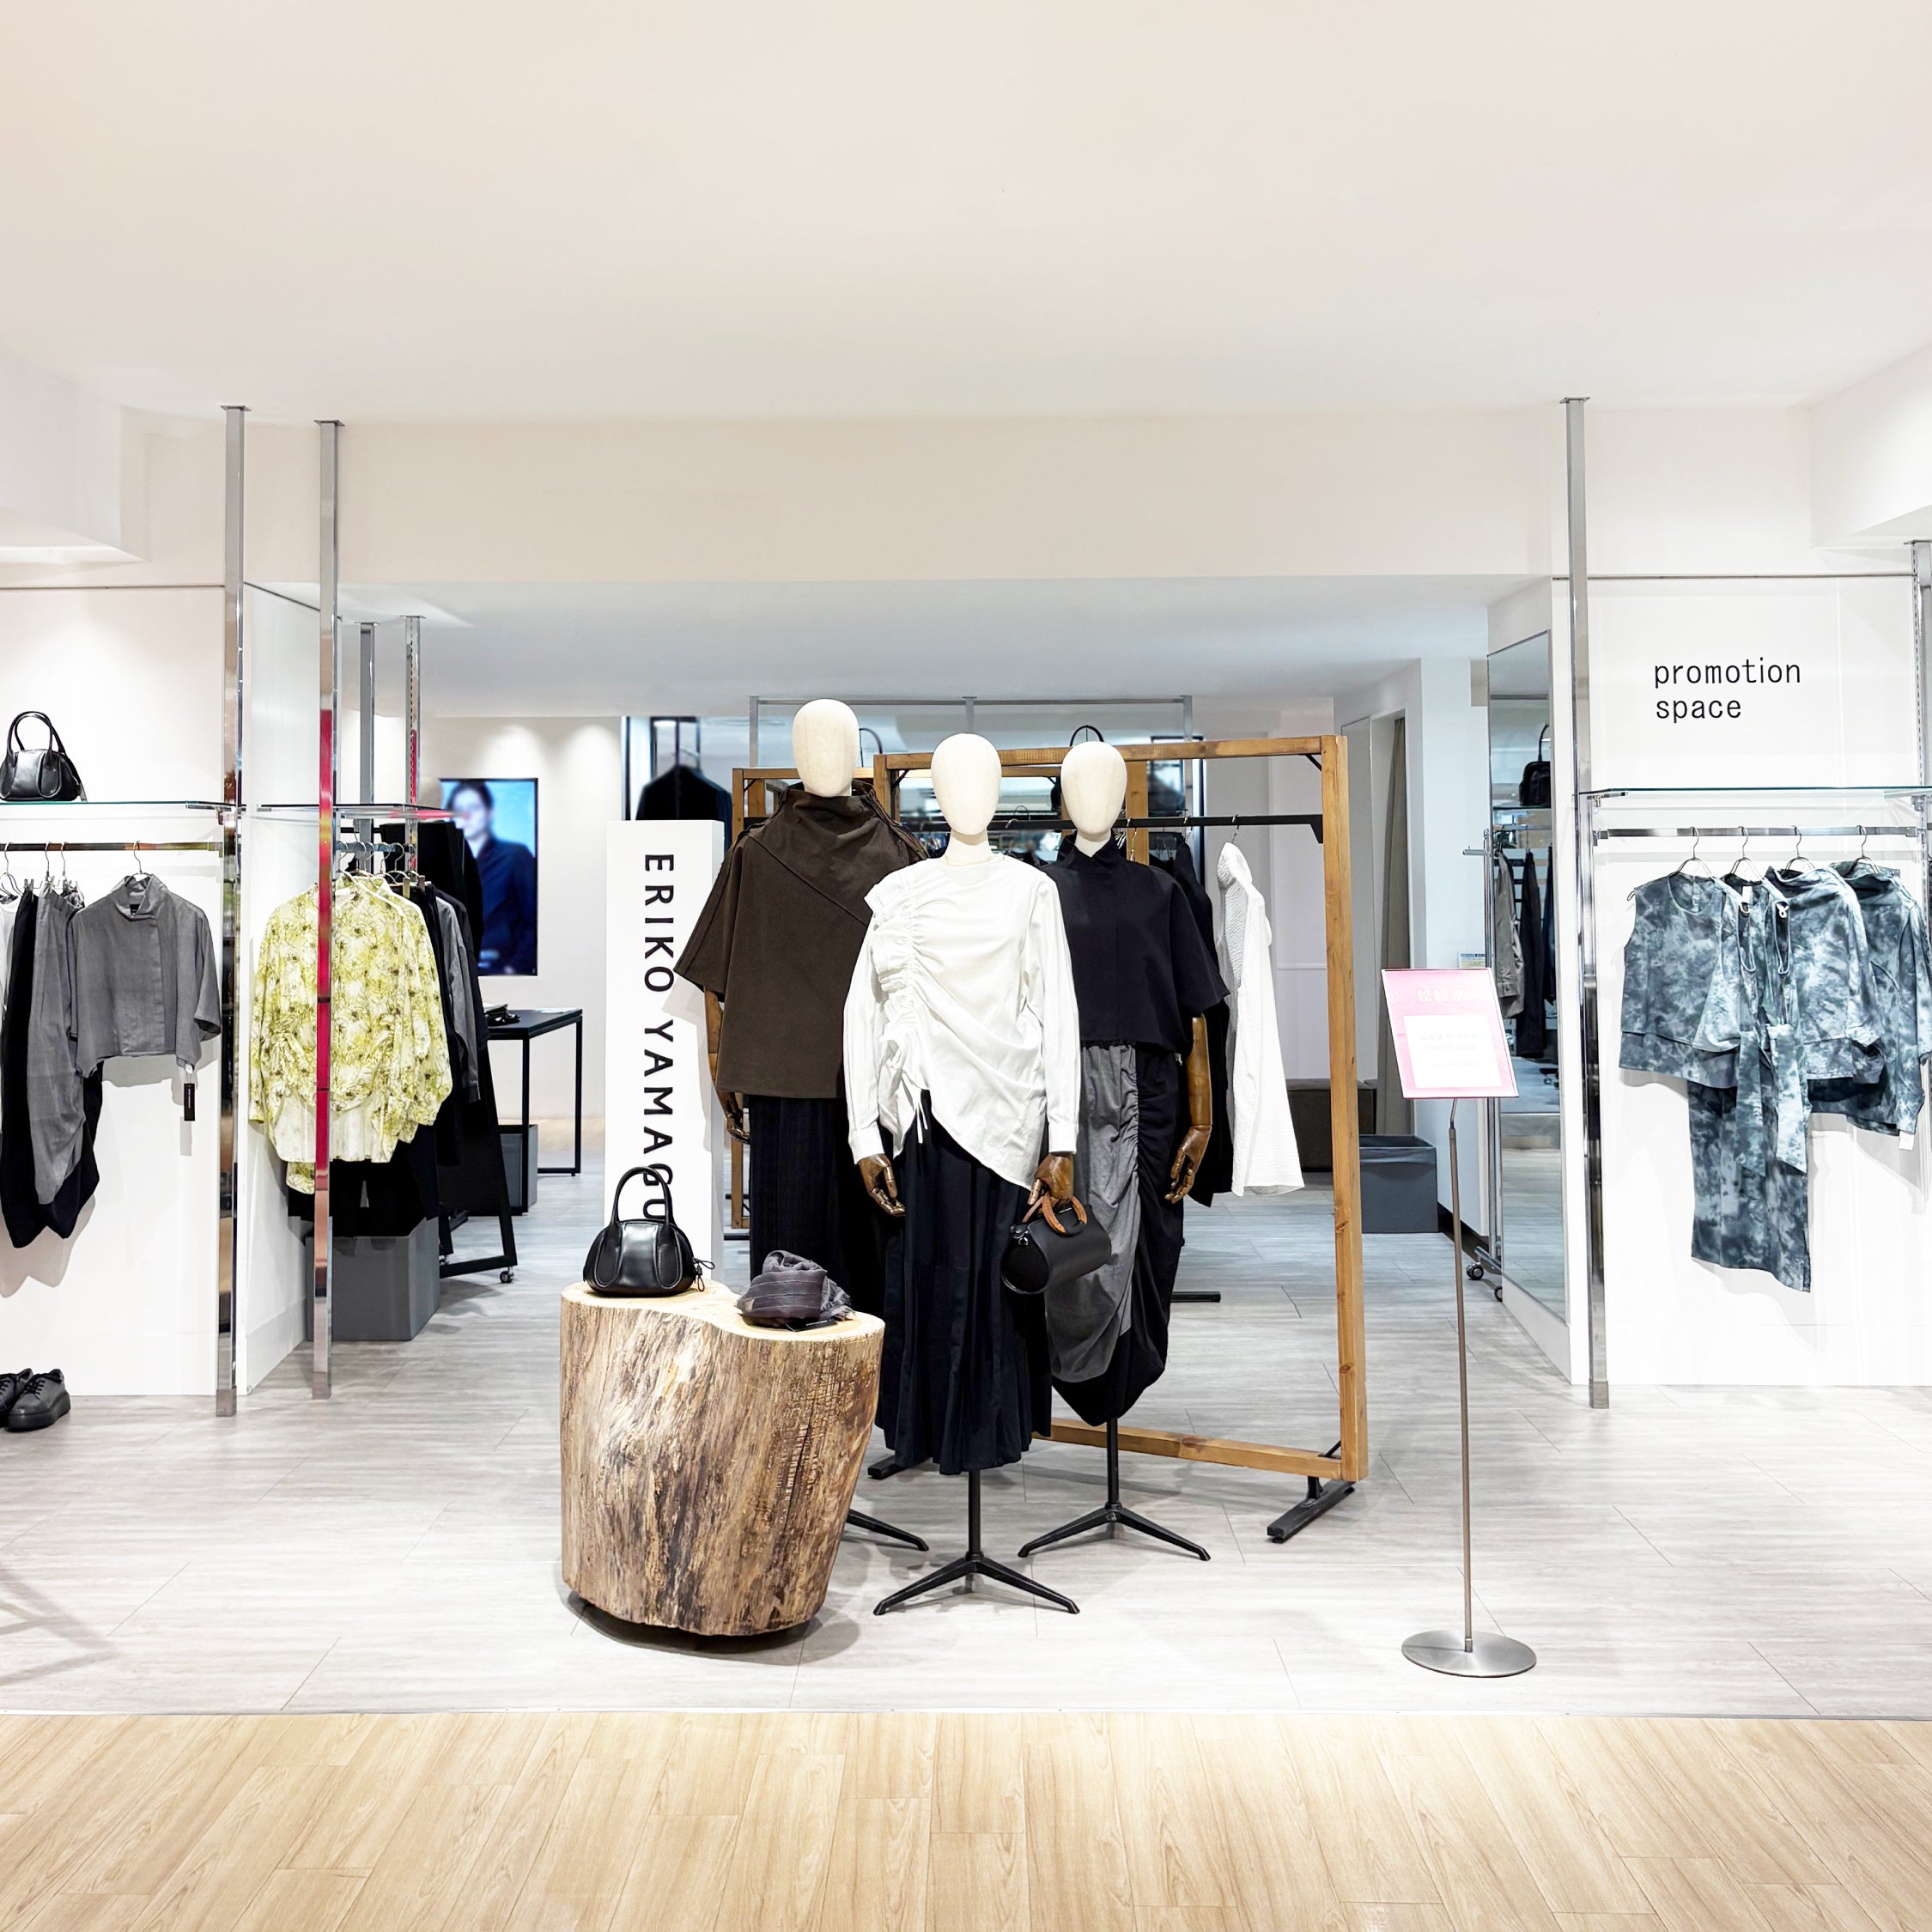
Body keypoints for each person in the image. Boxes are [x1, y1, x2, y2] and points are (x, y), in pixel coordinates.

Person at [447, 781, 537, 975]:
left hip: (503, 969)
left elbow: (533, 920)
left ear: (489, 813)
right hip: (458, 968)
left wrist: (514, 968)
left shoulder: (515, 857)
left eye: (473, 808)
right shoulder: (446, 859)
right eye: (459, 809)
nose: (466, 815)